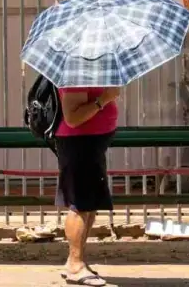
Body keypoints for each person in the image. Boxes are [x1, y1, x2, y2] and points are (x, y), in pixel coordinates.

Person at [56, 86, 121, 286]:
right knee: (80, 205)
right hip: (79, 142)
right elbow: (73, 118)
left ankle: (75, 261)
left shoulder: (90, 71)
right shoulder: (78, 74)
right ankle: (75, 264)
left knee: (89, 204)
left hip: (91, 143)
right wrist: (104, 99)